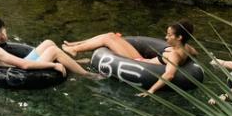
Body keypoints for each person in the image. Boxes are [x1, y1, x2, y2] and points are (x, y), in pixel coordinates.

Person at [63, 20, 197, 96]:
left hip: (139, 63)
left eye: (169, 35)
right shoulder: (187, 48)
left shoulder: (174, 54)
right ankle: (76, 44)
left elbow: (169, 75)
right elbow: (195, 54)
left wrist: (150, 91)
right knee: (110, 35)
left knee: (107, 38)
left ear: (179, 37)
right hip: (143, 61)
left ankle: (74, 50)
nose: (166, 37)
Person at [0, 17, 97, 76]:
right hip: (20, 71)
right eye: (1, 32)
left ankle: (72, 63)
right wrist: (54, 64)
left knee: (48, 42)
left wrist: (1, 34)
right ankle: (88, 75)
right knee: (54, 50)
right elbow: (25, 65)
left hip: (20, 64)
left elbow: (2, 40)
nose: (3, 34)